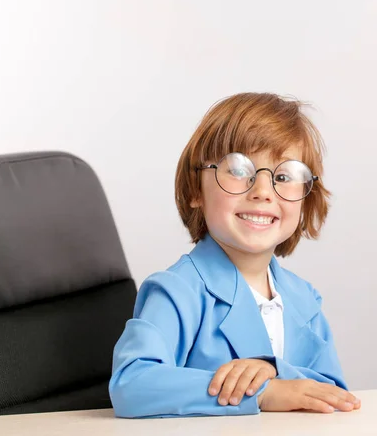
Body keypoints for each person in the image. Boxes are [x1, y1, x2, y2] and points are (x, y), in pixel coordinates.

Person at [109, 92, 361, 418]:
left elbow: (332, 394)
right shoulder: (177, 290)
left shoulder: (304, 300)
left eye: (284, 177)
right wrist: (261, 393)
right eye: (239, 170)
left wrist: (275, 372)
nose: (262, 191)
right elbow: (131, 384)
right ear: (196, 190)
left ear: (305, 199)